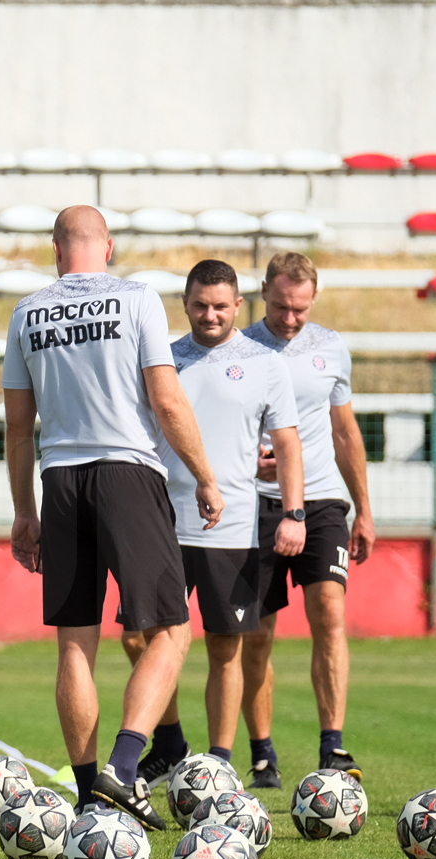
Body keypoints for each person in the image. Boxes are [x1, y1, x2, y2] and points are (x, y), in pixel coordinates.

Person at [2, 205, 222, 830]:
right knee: (173, 631)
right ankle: (123, 770)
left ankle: (86, 794)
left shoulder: (27, 312)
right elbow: (166, 397)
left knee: (75, 643)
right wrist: (205, 475)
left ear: (55, 249)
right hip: (127, 473)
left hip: (60, 480)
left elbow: (19, 427)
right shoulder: (137, 299)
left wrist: (25, 512)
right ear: (110, 246)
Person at [119, 260, 305, 789]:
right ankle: (172, 742)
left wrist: (293, 513)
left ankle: (219, 765)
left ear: (238, 306)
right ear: (185, 303)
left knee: (226, 647)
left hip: (234, 528)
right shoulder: (162, 359)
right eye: (200, 305)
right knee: (139, 637)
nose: (210, 315)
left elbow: (287, 442)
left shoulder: (265, 362)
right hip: (161, 523)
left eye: (220, 306)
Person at [238, 252, 375, 787]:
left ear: (312, 298)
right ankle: (263, 753)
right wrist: (247, 460)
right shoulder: (241, 347)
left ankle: (332, 747)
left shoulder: (331, 347)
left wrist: (363, 508)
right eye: (279, 306)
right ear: (263, 294)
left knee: (329, 614)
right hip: (255, 502)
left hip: (321, 501)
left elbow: (345, 433)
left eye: (298, 308)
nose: (289, 318)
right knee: (258, 630)